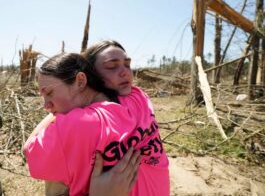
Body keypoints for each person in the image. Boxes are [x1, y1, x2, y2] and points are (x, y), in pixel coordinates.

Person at [24, 50, 169, 195]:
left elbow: (28, 149)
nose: (46, 105)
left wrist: (56, 115)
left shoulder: (74, 124)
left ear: (81, 81)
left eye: (49, 93)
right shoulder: (138, 98)